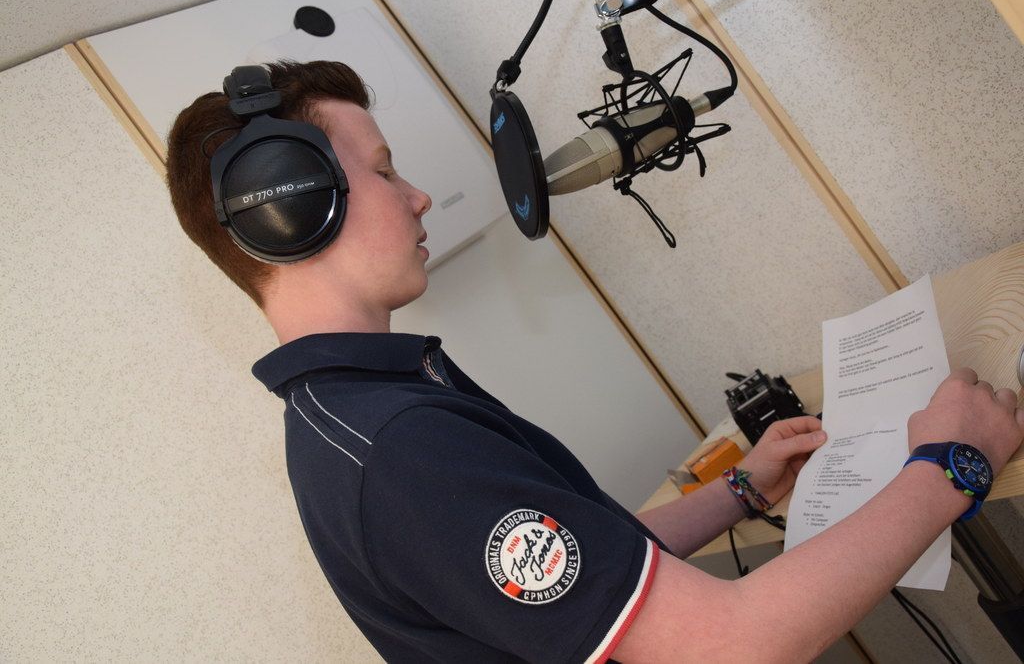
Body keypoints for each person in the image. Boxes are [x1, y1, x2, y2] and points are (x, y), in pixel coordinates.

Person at [166, 61, 1024, 663]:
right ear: (291, 206)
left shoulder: (364, 403)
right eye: (386, 171)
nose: (418, 195)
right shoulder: (398, 450)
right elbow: (734, 644)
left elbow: (596, 573)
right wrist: (954, 460)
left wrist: (743, 489)